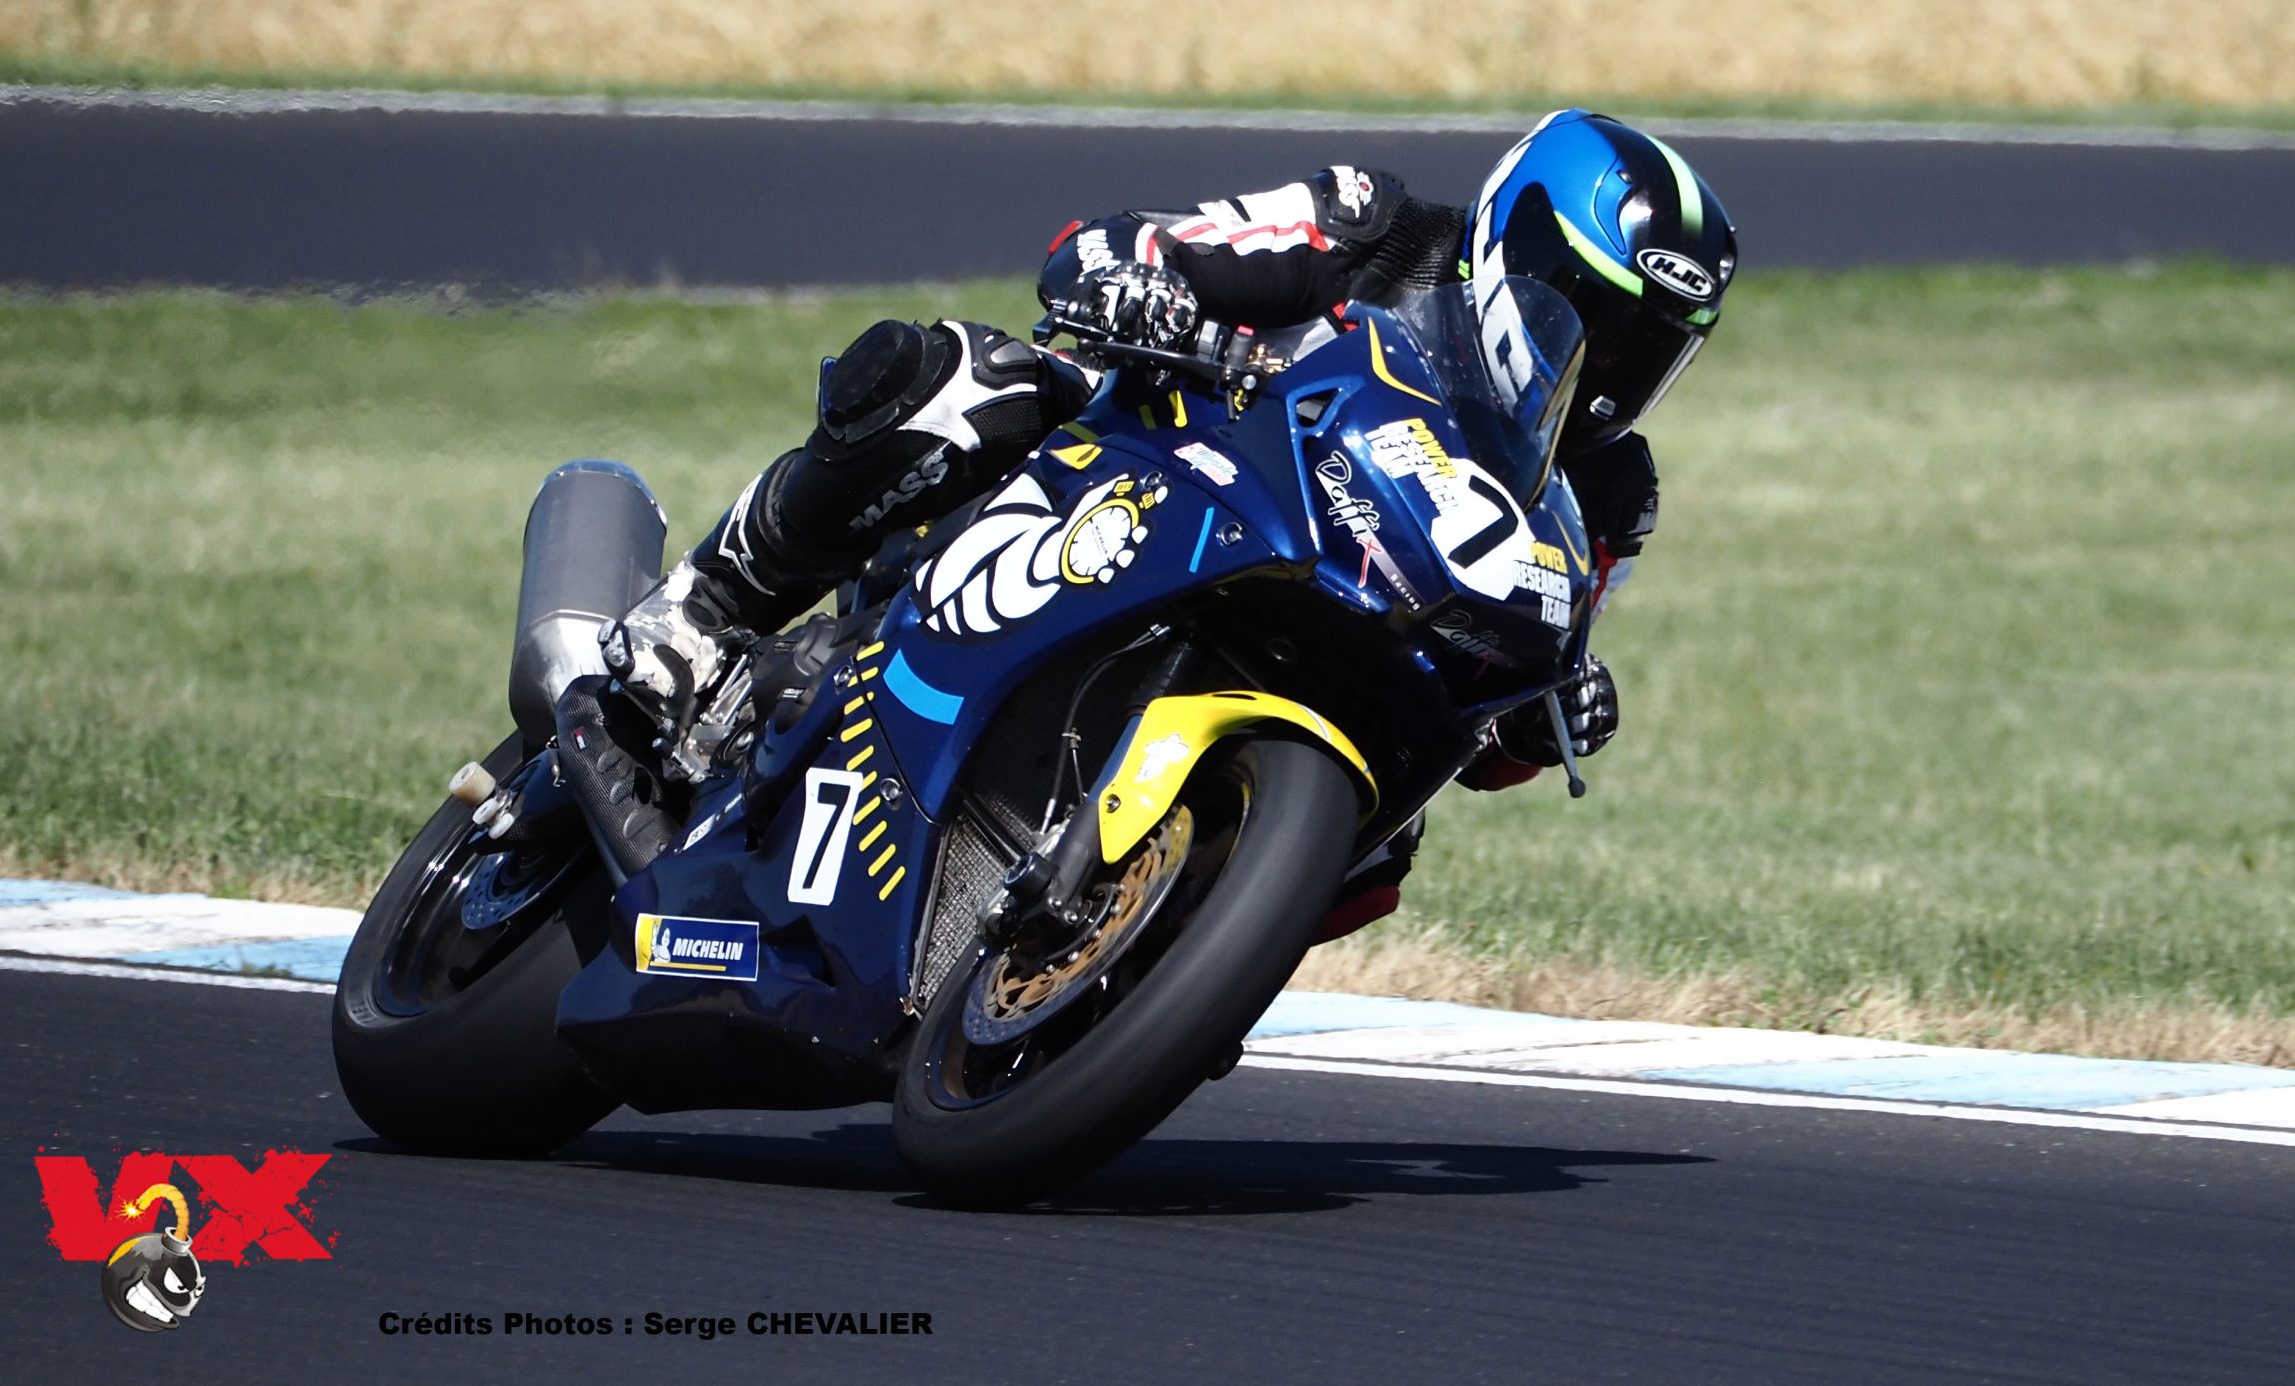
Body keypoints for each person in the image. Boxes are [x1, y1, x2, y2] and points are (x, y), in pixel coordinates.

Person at [597, 109, 1737, 909]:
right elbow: (1114, 245)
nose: (1610, 368)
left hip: (1334, 638)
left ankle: (1142, 959)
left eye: (1652, 349)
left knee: (1379, 851)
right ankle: (703, 611)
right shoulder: (1373, 231)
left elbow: (1501, 709)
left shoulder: (1610, 492)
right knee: (972, 385)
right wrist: (1139, 283)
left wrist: (1541, 722)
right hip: (1146, 475)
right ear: (1514, 243)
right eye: (1592, 315)